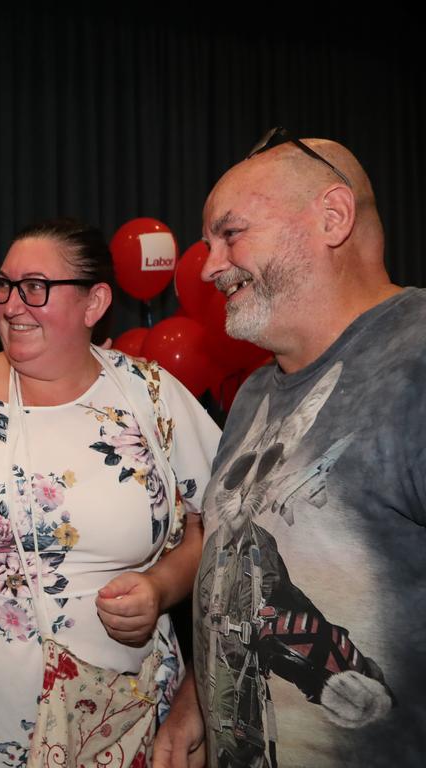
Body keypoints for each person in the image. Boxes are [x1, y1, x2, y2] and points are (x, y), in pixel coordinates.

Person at [0, 219, 221, 766]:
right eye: (4, 286)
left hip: (127, 713)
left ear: (94, 303)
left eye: (36, 287)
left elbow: (217, 524)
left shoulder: (150, 395)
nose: (13, 305)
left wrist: (162, 586)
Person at [153, 129, 426, 768]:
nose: (208, 265)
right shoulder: (252, 394)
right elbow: (245, 577)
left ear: (332, 218)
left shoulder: (417, 360)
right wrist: (198, 697)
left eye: (230, 234)